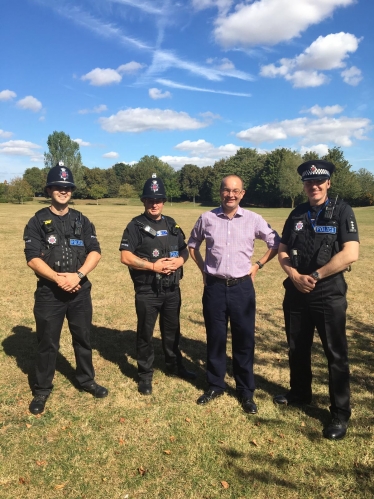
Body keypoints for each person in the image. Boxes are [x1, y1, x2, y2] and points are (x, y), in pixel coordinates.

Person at [273, 160, 359, 440]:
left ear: (328, 183)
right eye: (309, 182)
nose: (314, 186)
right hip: (296, 289)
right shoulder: (297, 213)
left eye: (319, 181)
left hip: (327, 291)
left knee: (335, 353)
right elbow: (283, 249)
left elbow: (350, 253)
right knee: (297, 346)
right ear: (304, 185)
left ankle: (339, 413)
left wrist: (316, 275)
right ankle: (299, 393)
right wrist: (294, 274)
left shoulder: (342, 211)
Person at [188, 175, 280, 414]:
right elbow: (192, 245)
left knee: (244, 341)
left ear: (242, 193)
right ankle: (215, 385)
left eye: (235, 191)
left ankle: (245, 391)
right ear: (220, 192)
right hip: (215, 288)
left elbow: (275, 242)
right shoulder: (207, 218)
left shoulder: (253, 219)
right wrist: (204, 271)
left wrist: (258, 264)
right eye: (226, 190)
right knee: (216, 338)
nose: (231, 194)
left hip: (242, 288)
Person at [24, 161, 108, 415]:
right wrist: (58, 278)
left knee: (83, 338)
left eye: (67, 187)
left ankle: (86, 379)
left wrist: (78, 275)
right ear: (49, 189)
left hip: (80, 291)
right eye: (58, 187)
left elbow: (95, 251)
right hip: (50, 293)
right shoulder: (37, 220)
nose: (63, 191)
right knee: (47, 342)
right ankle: (42, 389)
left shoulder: (82, 220)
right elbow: (32, 257)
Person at [119, 174, 196, 395]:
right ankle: (145, 374)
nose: (155, 204)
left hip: (172, 289)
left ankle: (175, 365)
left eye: (159, 200)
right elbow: (125, 256)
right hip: (147, 290)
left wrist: (181, 260)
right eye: (150, 200)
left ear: (163, 201)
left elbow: (184, 248)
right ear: (144, 201)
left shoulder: (172, 223)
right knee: (145, 333)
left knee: (172, 331)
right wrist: (153, 266)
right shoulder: (135, 226)